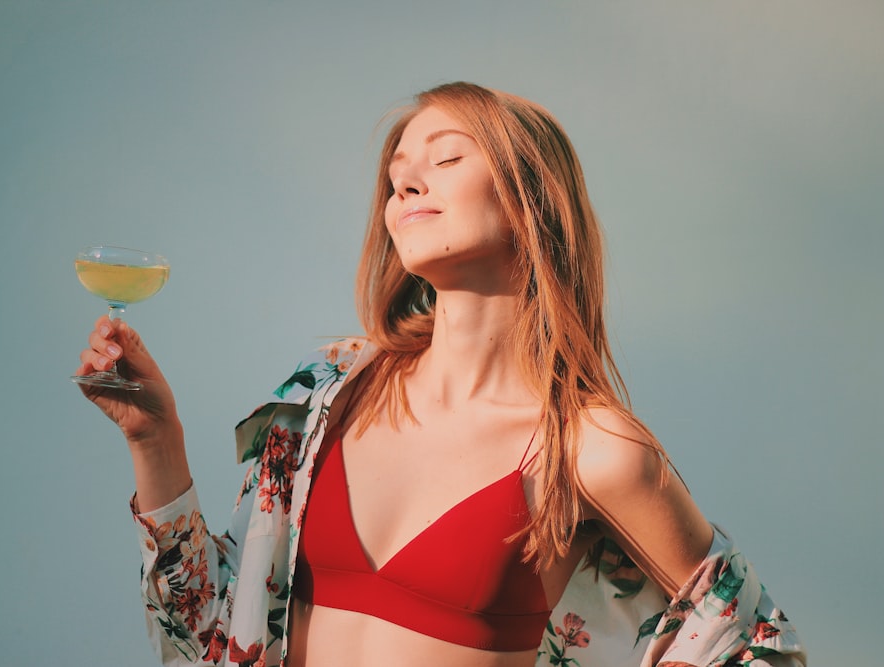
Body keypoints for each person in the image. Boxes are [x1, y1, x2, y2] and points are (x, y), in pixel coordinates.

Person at [76, 82, 806, 667]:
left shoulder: (591, 449)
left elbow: (757, 646)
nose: (406, 181)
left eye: (447, 158)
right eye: (396, 176)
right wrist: (155, 441)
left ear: (531, 201)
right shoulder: (331, 390)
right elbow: (203, 638)